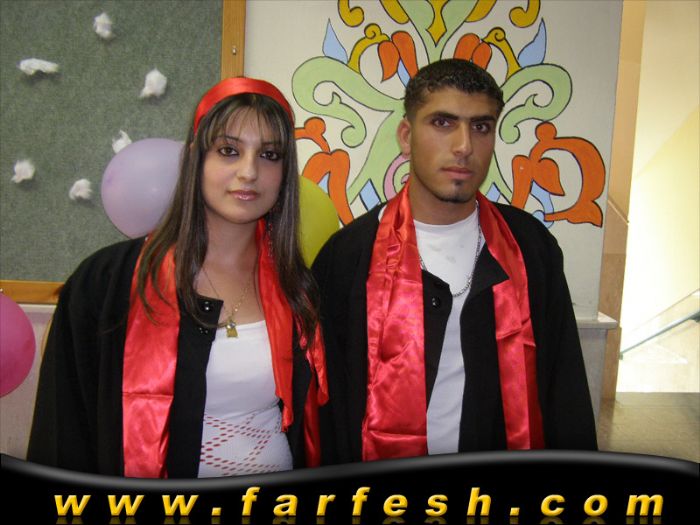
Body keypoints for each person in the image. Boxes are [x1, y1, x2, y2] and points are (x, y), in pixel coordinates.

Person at [27, 77, 328, 478]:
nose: (249, 171)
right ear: (194, 160)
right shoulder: (105, 284)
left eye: (269, 155)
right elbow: (63, 433)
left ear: (285, 173)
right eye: (228, 151)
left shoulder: (298, 288)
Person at [312, 59, 597, 464]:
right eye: (443, 123)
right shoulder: (348, 257)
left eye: (481, 127)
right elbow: (327, 409)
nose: (464, 146)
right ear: (406, 136)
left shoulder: (530, 249)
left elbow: (564, 388)